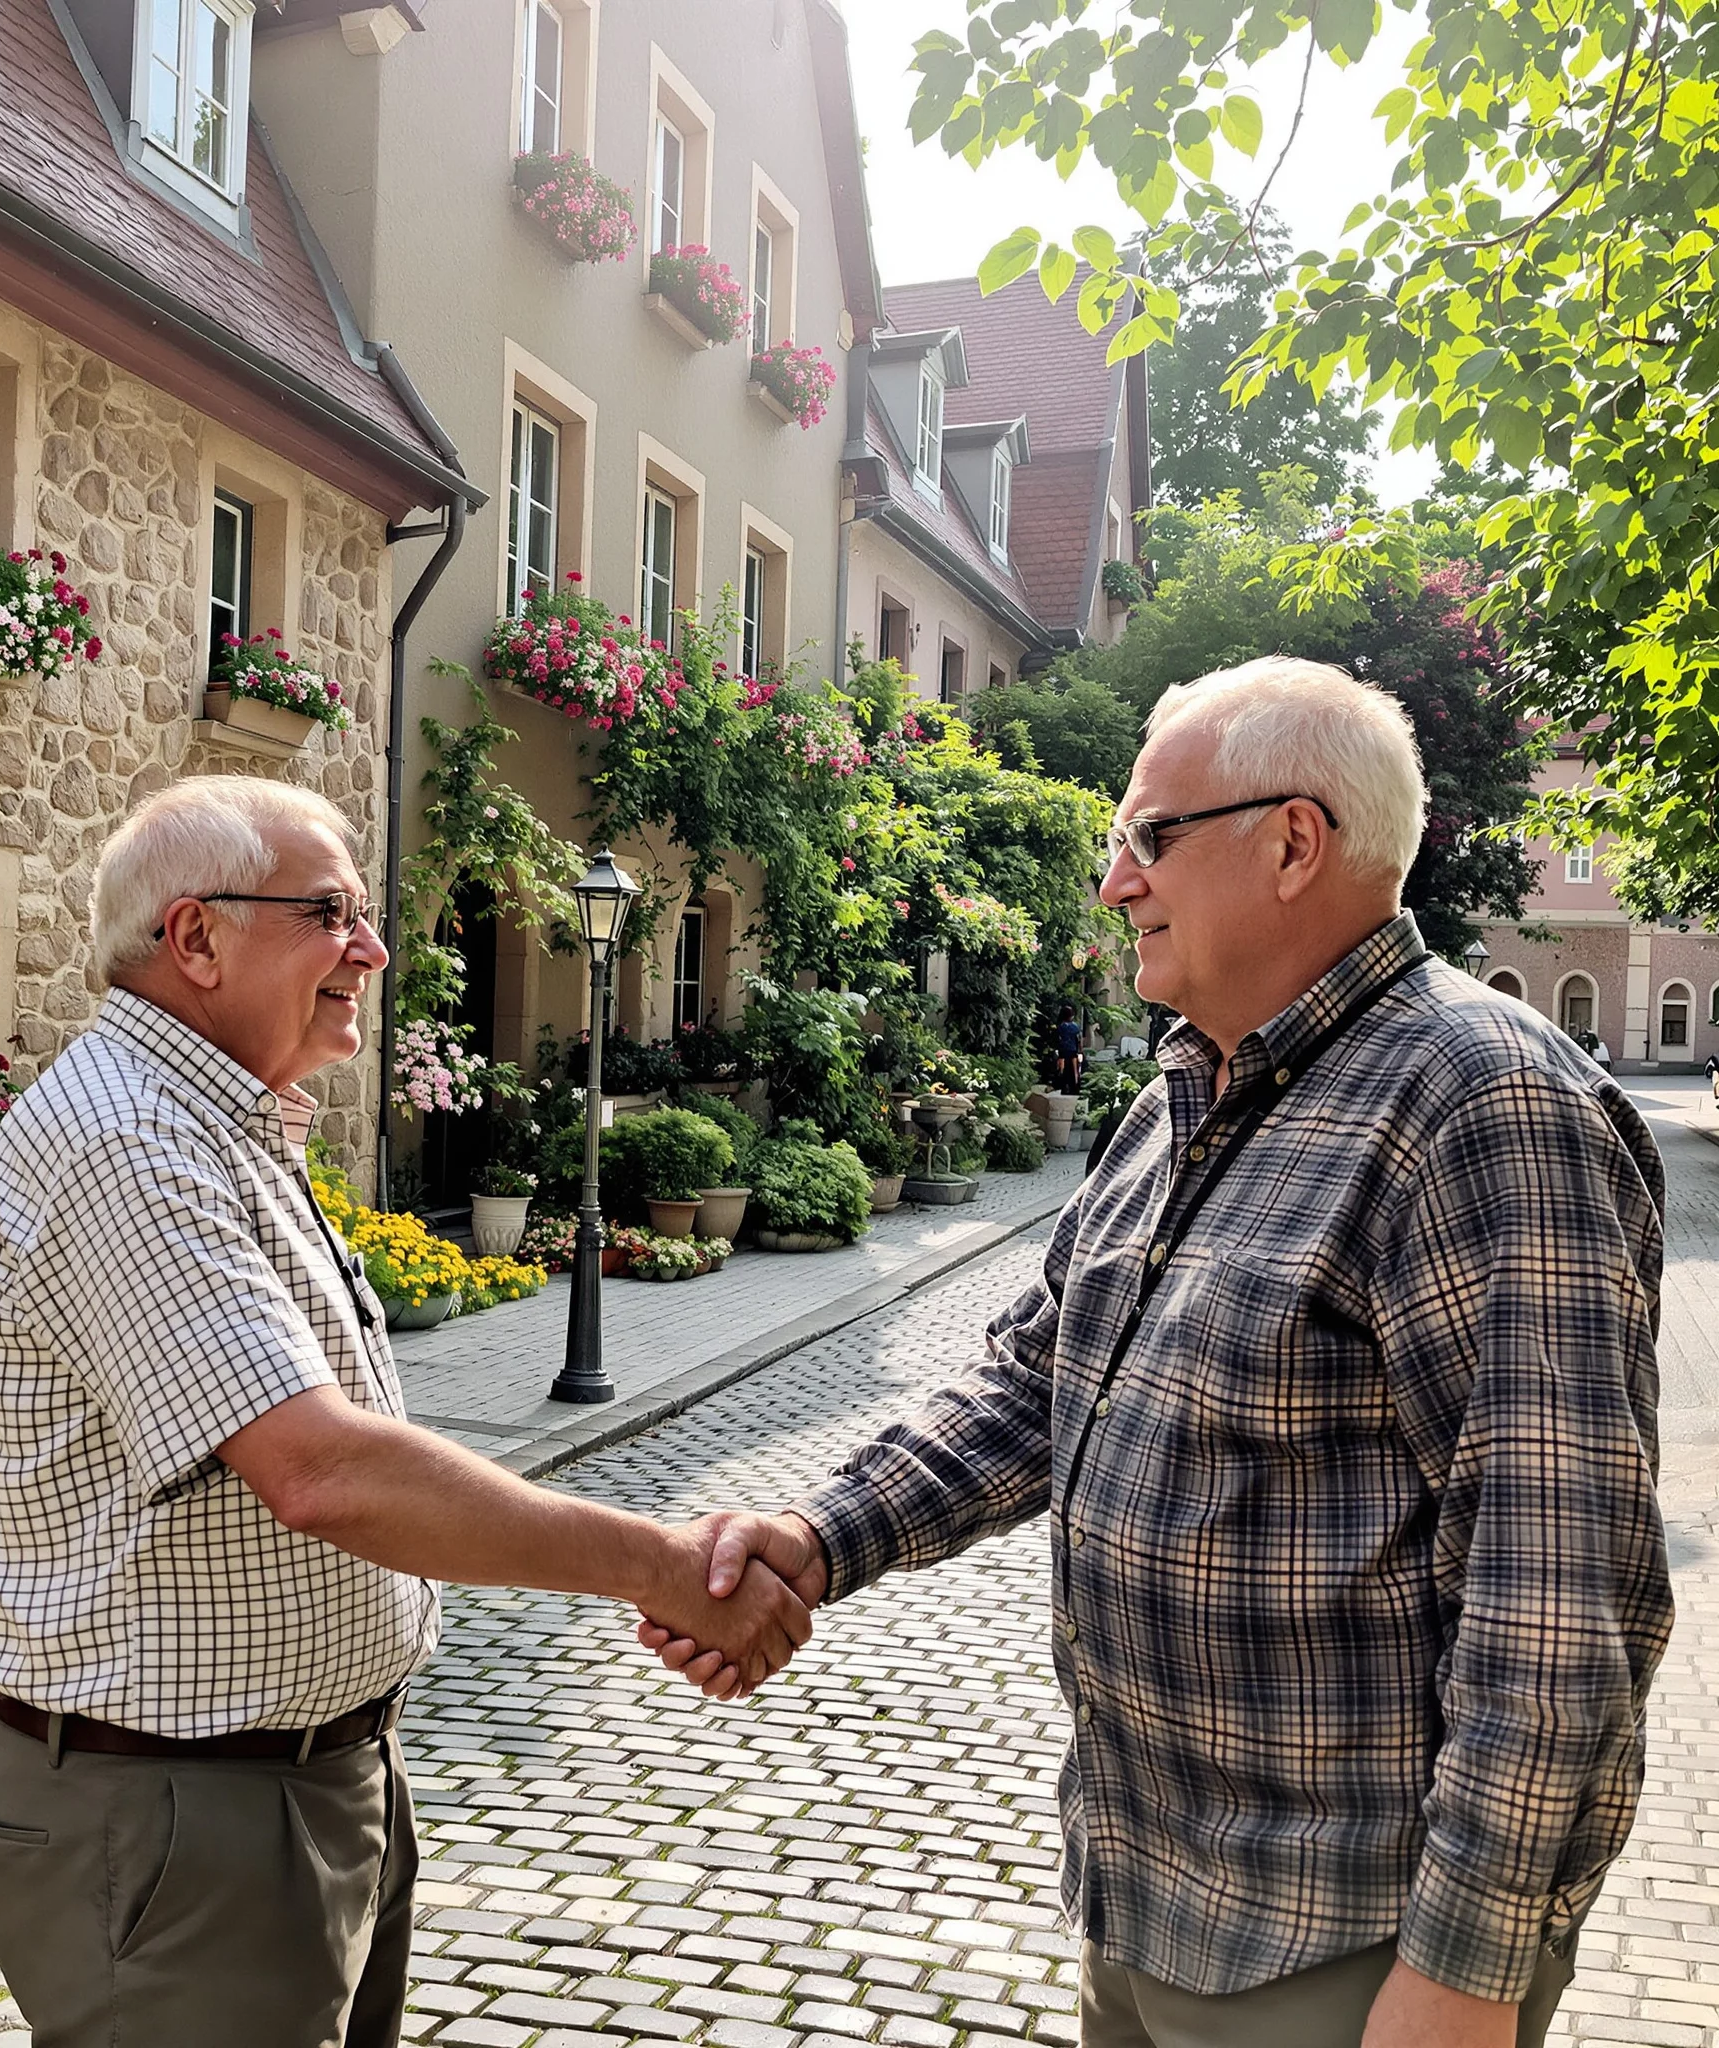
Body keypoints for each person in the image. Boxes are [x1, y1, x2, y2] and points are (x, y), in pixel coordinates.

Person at [647, 659, 1671, 2048]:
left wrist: (1466, 1975)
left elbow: (1557, 1597)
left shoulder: (1480, 1099)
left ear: (1293, 842)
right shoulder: (1187, 1092)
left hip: (1347, 1947)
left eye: (1146, 837)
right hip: (1147, 1905)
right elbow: (1033, 1389)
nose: (1116, 882)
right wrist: (815, 1537)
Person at [0, 778, 809, 2048]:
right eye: (330, 911)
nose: (373, 946)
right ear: (195, 938)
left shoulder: (215, 1121)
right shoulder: (130, 1136)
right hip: (182, 1814)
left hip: (292, 1786)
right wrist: (664, 1564)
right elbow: (320, 1469)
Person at [1056, 1004, 1084, 1091]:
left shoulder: (1060, 1026)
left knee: (1061, 1068)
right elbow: (1078, 1039)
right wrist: (1081, 1050)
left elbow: (1058, 1038)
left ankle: (1062, 1083)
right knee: (1075, 1068)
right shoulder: (1075, 1026)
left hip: (1062, 1051)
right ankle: (1075, 1084)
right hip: (1073, 1051)